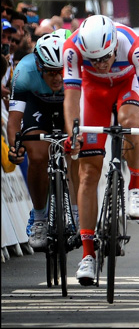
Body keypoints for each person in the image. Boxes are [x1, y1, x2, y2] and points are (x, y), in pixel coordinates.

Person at [63, 15, 139, 285]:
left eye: (105, 57)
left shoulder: (135, 46)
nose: (100, 64)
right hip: (93, 92)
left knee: (130, 121)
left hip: (126, 86)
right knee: (87, 173)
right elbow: (71, 98)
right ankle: (88, 254)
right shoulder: (72, 49)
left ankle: (135, 184)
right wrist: (73, 133)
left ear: (113, 45)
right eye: (93, 60)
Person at [7, 33, 79, 250]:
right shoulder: (24, 71)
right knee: (37, 156)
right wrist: (15, 147)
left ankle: (76, 214)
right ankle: (39, 217)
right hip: (38, 107)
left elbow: (82, 114)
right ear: (39, 66)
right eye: (50, 72)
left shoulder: (78, 69)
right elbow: (14, 122)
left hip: (69, 104)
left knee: (75, 151)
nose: (57, 78)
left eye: (61, 71)